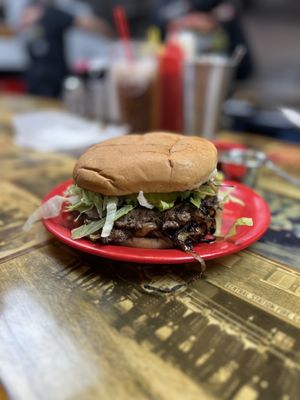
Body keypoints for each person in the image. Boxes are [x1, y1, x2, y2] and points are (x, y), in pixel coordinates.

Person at [18, 0, 113, 97]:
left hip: (47, 77)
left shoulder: (50, 14)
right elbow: (88, 24)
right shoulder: (49, 13)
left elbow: (87, 24)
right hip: (44, 78)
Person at [153, 0, 254, 79]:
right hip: (175, 74)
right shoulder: (167, 8)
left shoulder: (225, 9)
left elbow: (244, 66)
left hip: (218, 75)